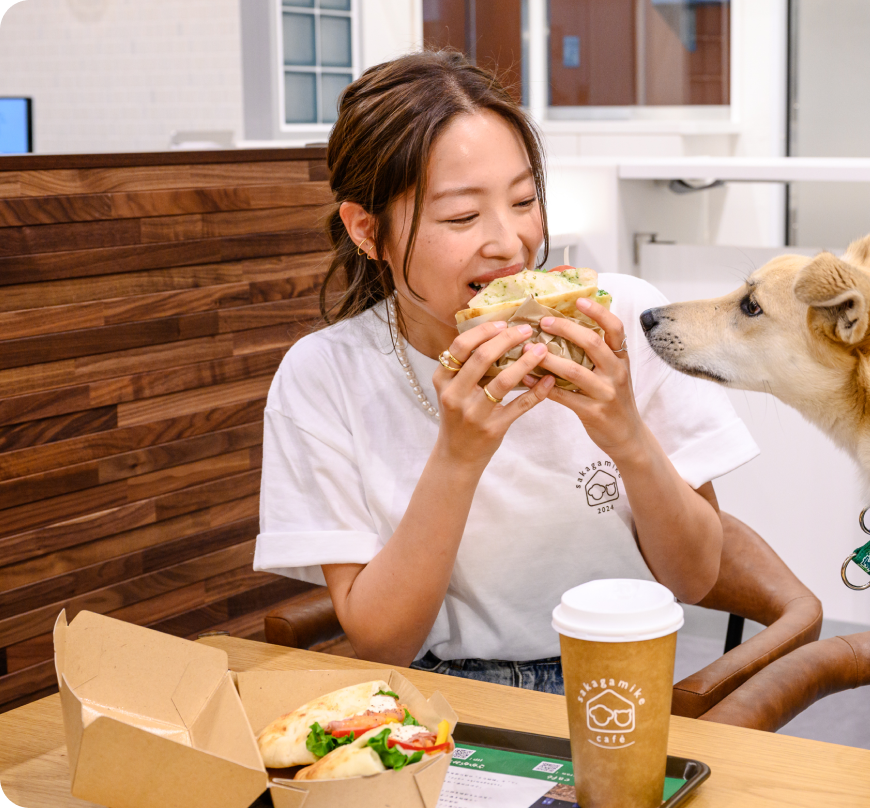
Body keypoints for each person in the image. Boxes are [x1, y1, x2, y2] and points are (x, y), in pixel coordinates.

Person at [252, 50, 758, 694]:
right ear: (365, 228)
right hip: (442, 692)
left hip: (622, 675)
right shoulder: (323, 375)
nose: (510, 242)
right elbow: (383, 641)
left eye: (524, 200)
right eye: (462, 216)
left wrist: (626, 434)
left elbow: (694, 578)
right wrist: (458, 457)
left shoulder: (620, 317)